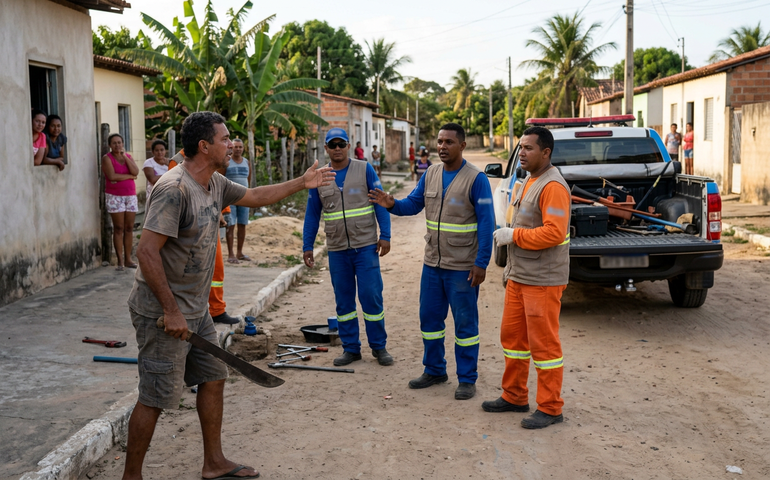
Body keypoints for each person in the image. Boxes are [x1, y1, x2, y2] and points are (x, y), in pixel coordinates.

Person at [123, 111, 333, 480]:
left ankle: (213, 463)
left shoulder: (215, 182)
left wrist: (302, 183)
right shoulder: (175, 189)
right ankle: (131, 476)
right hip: (162, 312)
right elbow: (145, 252)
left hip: (194, 309)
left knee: (214, 375)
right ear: (204, 146)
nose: (230, 144)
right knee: (155, 397)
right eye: (224, 139)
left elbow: (253, 195)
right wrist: (171, 311)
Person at [369, 122, 494, 400]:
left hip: (462, 267)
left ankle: (467, 378)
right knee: (429, 319)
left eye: (449, 142)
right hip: (433, 265)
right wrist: (391, 204)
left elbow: (487, 224)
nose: (442, 147)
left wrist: (481, 263)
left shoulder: (477, 179)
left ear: (462, 146)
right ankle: (435, 369)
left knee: (465, 325)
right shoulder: (431, 173)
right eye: (439, 141)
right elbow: (413, 204)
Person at [481, 126, 570, 430]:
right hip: (520, 275)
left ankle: (550, 407)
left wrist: (513, 235)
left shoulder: (553, 186)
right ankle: (515, 395)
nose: (522, 152)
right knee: (514, 340)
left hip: (542, 279)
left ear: (546, 152)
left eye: (529, 148)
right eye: (520, 147)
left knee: (544, 346)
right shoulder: (527, 181)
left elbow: (555, 231)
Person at [303, 128, 392, 367]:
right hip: (337, 249)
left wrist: (386, 235)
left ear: (349, 145)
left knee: (371, 297)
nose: (337, 149)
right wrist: (307, 245)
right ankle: (351, 348)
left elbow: (379, 202)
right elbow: (312, 214)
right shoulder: (320, 176)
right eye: (333, 145)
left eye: (341, 144)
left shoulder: (364, 169)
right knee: (344, 302)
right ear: (326, 149)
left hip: (365, 248)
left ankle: (379, 347)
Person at [102, 133, 139, 271]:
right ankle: (120, 261)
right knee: (118, 228)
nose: (117, 145)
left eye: (119, 142)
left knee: (129, 228)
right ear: (110, 145)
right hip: (114, 196)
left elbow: (136, 171)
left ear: (123, 143)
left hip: (130, 195)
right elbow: (111, 176)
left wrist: (124, 157)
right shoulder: (107, 158)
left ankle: (129, 259)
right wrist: (129, 176)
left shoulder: (128, 157)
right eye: (114, 143)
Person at [225, 138, 252, 263]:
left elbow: (249, 179)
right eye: (235, 147)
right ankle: (231, 254)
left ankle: (240, 252)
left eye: (240, 147)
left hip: (245, 198)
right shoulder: (227, 161)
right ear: (231, 148)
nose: (238, 149)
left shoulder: (247, 162)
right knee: (230, 225)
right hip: (230, 199)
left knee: (242, 225)